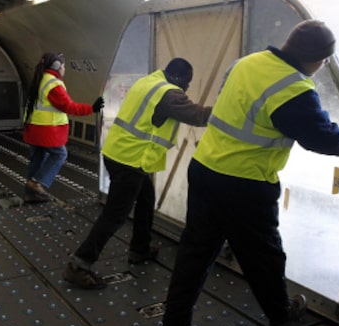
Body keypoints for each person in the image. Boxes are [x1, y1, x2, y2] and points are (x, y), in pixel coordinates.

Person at [158, 20, 339, 326]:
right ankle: (281, 316)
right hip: (245, 184)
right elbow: (320, 138)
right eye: (325, 60)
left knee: (195, 254)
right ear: (316, 58)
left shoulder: (247, 62)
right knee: (264, 257)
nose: (324, 66)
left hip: (205, 168)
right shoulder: (293, 88)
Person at [63, 58, 213, 288]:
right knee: (114, 215)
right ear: (178, 77)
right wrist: (232, 110)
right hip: (130, 160)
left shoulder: (148, 82)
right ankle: (79, 265)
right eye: (187, 82)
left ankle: (140, 249)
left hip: (118, 152)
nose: (187, 87)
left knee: (145, 199)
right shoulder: (169, 94)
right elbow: (199, 116)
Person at [23, 52, 104, 203]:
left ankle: (30, 194)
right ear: (56, 66)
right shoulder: (53, 84)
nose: (65, 69)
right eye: (63, 66)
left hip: (33, 127)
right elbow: (69, 106)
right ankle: (35, 183)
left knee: (38, 158)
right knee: (60, 154)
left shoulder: (40, 79)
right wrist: (92, 108)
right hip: (47, 129)